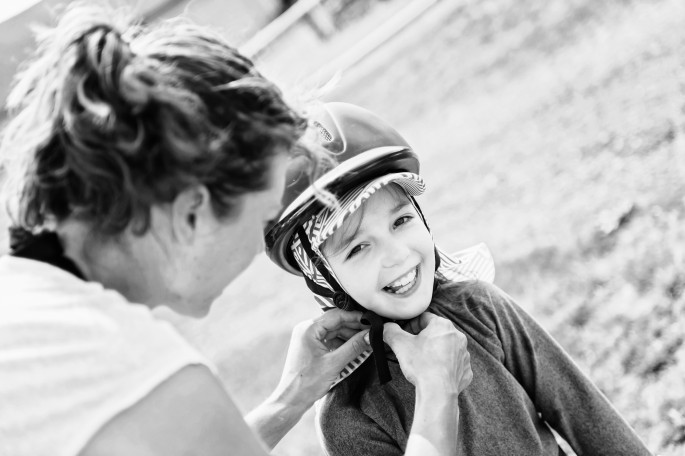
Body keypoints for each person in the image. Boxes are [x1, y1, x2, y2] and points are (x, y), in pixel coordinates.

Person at [0, 4, 467, 456]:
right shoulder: (144, 377)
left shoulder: (28, 310)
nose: (257, 249)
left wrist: (290, 399)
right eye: (261, 218)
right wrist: (437, 395)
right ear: (192, 212)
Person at [264, 102, 653, 455]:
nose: (398, 255)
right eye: (358, 248)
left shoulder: (480, 307)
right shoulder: (348, 416)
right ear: (324, 278)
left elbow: (582, 410)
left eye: (401, 221)